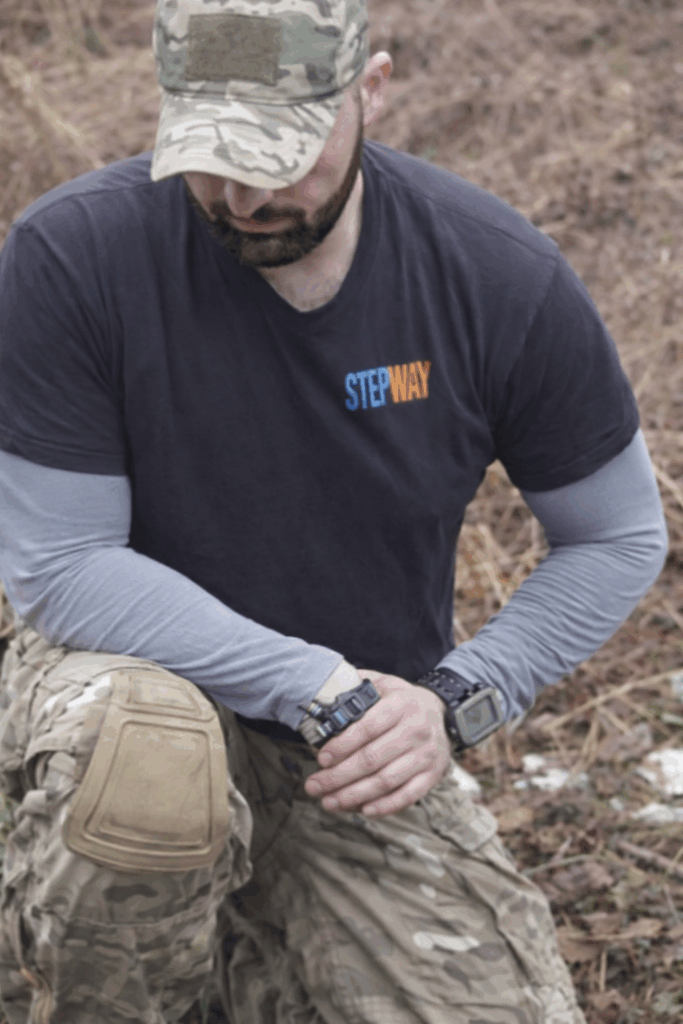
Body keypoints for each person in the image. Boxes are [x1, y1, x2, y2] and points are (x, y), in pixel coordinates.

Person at [0, 0, 667, 1021]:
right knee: (145, 758)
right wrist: (310, 683)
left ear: (371, 89)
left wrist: (455, 697)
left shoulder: (494, 274)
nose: (248, 195)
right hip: (131, 684)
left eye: (286, 153)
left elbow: (614, 534)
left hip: (350, 734)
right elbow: (66, 564)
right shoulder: (72, 256)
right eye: (213, 157)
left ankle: (247, 958)